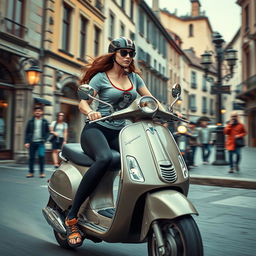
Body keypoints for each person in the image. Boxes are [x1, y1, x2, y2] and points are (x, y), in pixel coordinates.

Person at [64, 37, 156, 247]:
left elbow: (149, 100)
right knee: (105, 158)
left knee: (140, 160)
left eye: (131, 53)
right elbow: (82, 103)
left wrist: (167, 111)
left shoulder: (135, 78)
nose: (128, 57)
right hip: (96, 129)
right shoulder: (100, 78)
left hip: (120, 132)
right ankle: (72, 216)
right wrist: (91, 112)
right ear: (114, 54)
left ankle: (127, 210)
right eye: (123, 52)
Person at [24, 106, 50, 178]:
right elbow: (27, 132)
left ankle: (42, 173)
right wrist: (26, 142)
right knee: (31, 158)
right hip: (32, 142)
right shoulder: (30, 121)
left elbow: (48, 132)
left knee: (41, 156)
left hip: (41, 142)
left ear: (42, 112)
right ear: (34, 112)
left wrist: (45, 139)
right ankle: (31, 172)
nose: (38, 112)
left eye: (39, 111)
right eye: (36, 111)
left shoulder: (45, 121)